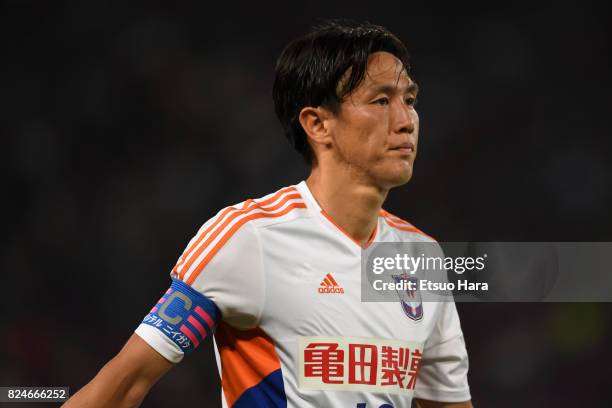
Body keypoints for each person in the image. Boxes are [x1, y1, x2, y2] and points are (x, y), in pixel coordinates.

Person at [63, 20, 472, 408]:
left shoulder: (422, 257)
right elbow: (121, 387)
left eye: (410, 101)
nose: (406, 121)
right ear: (317, 124)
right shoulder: (247, 237)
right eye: (381, 100)